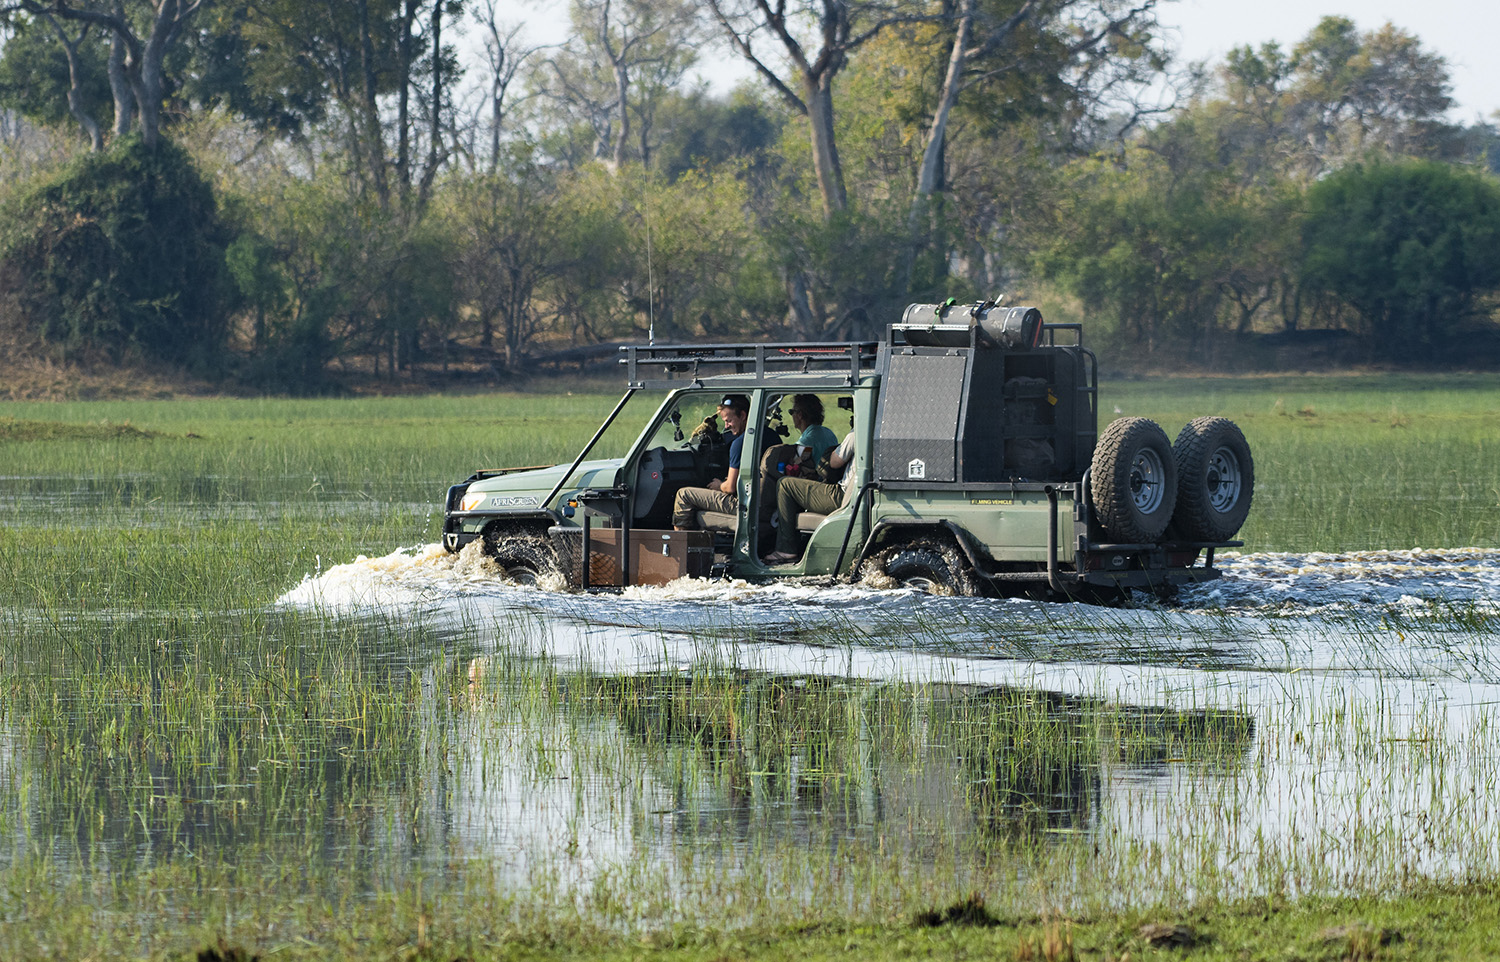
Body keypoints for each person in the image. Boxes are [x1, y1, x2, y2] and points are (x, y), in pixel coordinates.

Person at [762, 430, 856, 565]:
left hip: (841, 495)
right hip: (852, 495)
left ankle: (786, 549)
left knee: (785, 484)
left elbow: (835, 462)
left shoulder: (855, 434)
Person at [672, 394, 750, 530]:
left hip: (743, 503)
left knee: (683, 495)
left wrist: (719, 485)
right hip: (763, 502)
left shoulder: (740, 443)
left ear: (743, 416)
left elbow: (730, 488)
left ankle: (679, 547)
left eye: (729, 421)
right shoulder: (771, 435)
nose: (726, 426)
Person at [788, 394, 838, 465]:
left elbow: (794, 467)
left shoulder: (805, 443)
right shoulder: (829, 433)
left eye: (791, 412)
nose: (792, 415)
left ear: (800, 415)